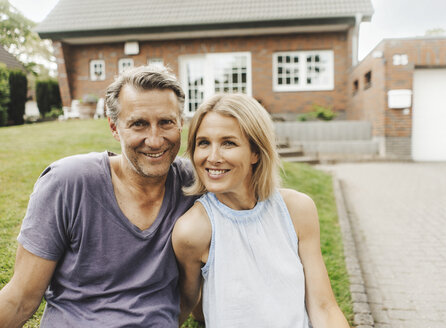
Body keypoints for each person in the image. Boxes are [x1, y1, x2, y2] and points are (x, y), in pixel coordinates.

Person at [0, 65, 198, 327]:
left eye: (166, 122)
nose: (154, 139)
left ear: (181, 124)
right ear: (114, 127)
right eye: (139, 124)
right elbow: (20, 298)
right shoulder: (67, 183)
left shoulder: (193, 183)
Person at [172, 93, 350, 327]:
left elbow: (324, 307)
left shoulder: (298, 210)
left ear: (256, 152)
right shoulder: (193, 230)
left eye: (229, 143)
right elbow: (191, 305)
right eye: (203, 143)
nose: (212, 157)